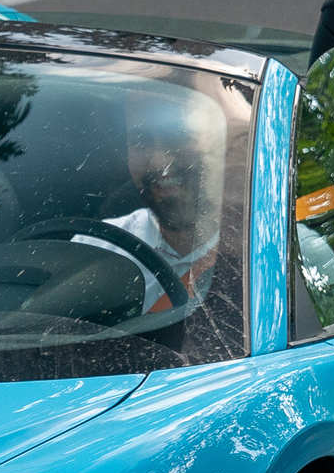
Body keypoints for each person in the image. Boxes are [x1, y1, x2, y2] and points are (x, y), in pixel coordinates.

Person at [81, 88, 227, 312]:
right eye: (141, 142)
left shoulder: (271, 254)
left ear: (223, 146)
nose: (159, 163)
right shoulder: (94, 251)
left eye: (179, 135)